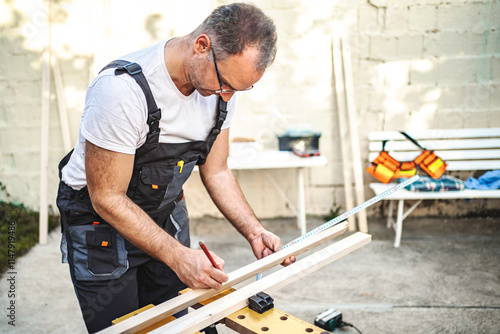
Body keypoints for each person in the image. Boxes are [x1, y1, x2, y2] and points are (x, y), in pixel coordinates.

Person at [56, 3, 295, 333]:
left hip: (163, 216)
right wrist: (179, 256)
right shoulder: (122, 90)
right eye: (225, 83)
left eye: (239, 89)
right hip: (100, 229)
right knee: (126, 327)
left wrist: (253, 230)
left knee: (188, 323)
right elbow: (107, 198)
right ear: (201, 45)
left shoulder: (221, 91)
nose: (226, 97)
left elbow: (218, 170)